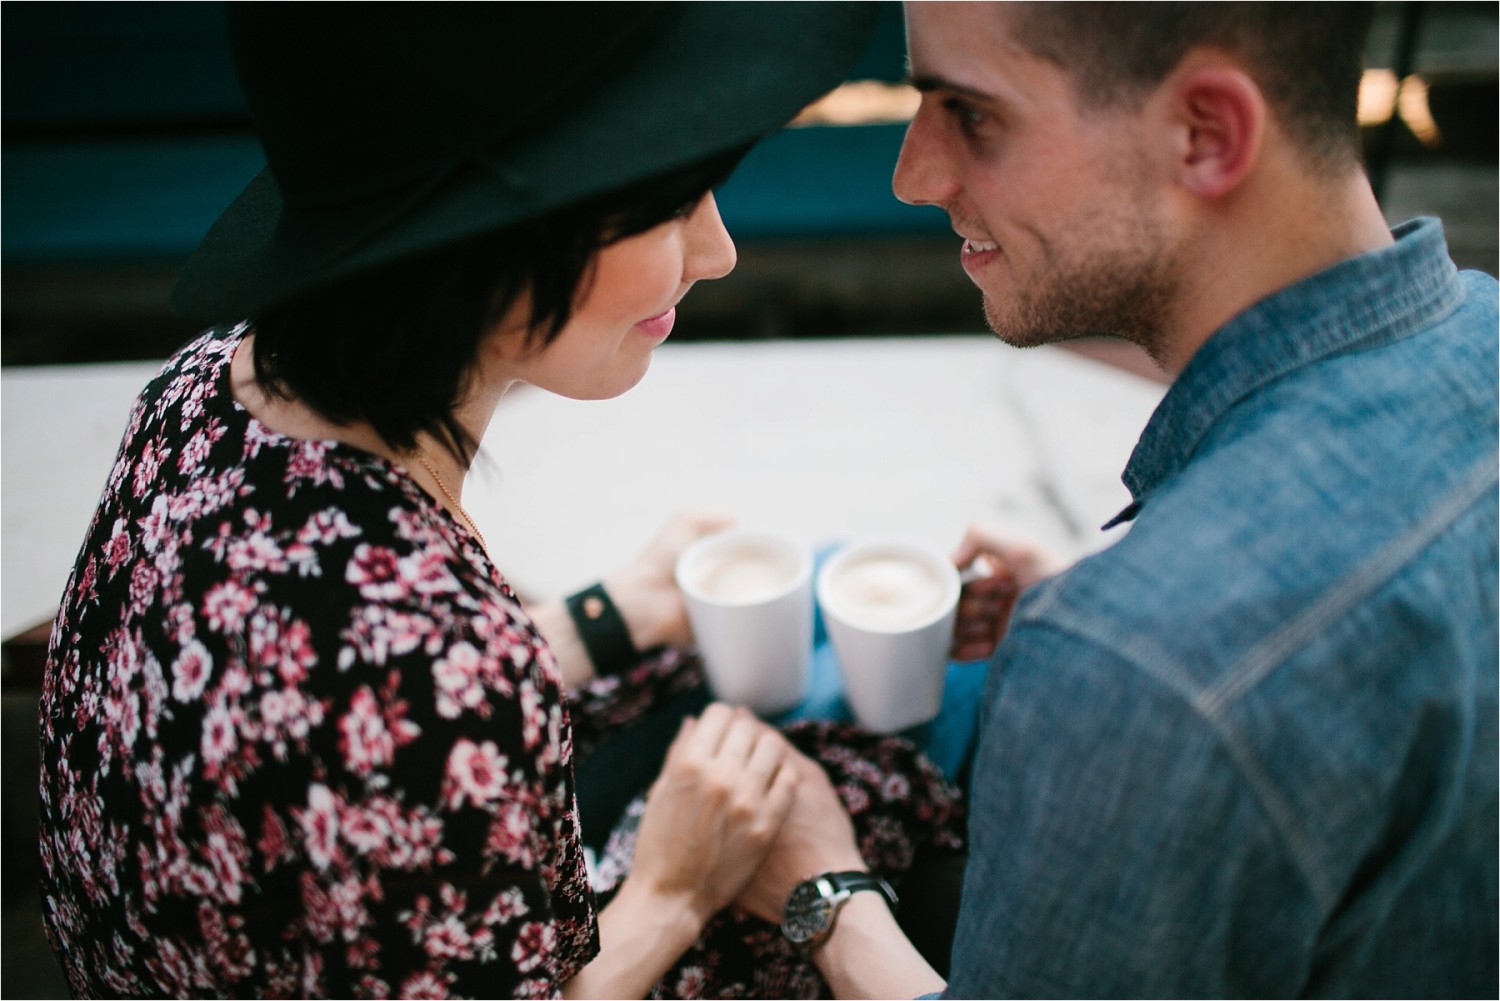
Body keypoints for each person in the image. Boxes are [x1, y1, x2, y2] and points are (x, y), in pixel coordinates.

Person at [36, 5, 968, 999]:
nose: (718, 251)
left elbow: (354, 724)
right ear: (499, 244)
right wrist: (672, 889)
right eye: (668, 205)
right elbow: (411, 705)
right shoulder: (443, 670)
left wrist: (606, 617)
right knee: (848, 774)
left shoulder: (201, 385)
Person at [736, 3, 1499, 997]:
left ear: (1207, 134)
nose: (913, 174)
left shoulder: (1135, 664)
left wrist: (822, 889)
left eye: (969, 110)